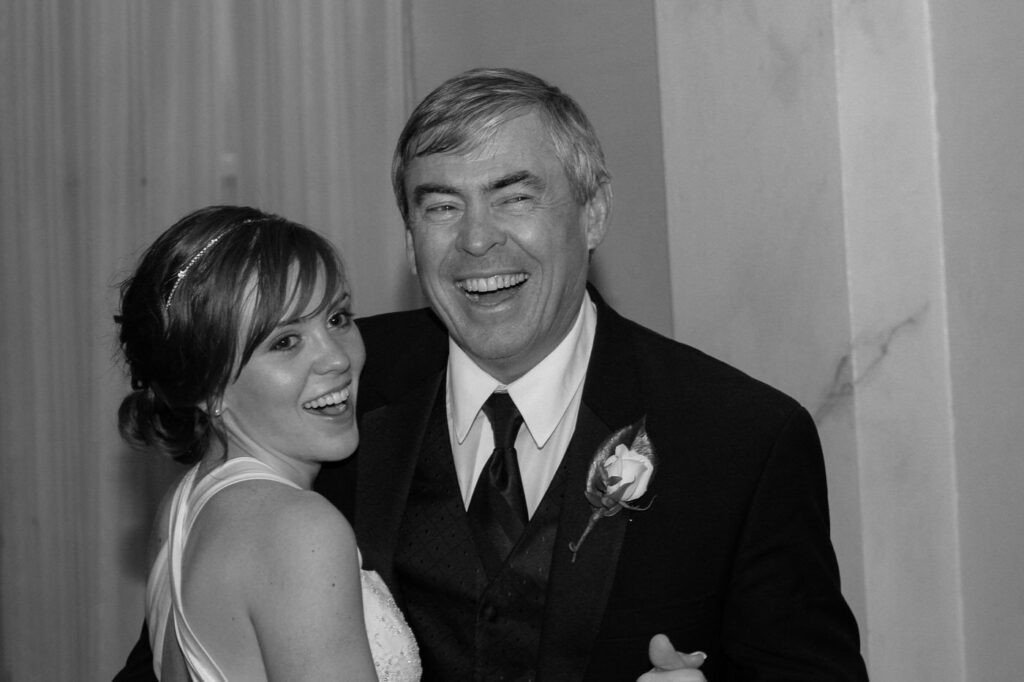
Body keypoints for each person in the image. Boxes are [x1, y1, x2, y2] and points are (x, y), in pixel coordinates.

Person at [117, 68, 868, 680]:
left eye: (514, 196)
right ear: (410, 239)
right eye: (441, 206)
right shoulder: (329, 394)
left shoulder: (741, 440)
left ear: (594, 212)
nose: (476, 240)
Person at [114, 206, 420, 680]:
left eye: (337, 318)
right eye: (286, 342)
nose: (336, 359)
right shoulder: (301, 530)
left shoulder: (182, 505)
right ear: (208, 387)